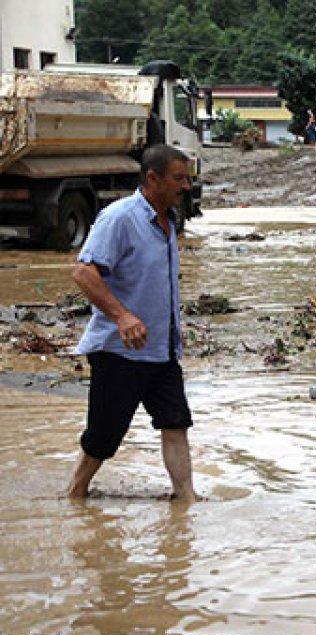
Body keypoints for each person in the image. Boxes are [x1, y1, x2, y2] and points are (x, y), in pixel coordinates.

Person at [65, 144, 197, 503]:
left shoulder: (167, 222)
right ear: (152, 178)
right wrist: (122, 316)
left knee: (176, 423)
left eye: (187, 178)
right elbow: (83, 271)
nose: (185, 186)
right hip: (119, 351)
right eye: (178, 179)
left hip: (162, 351)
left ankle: (186, 500)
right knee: (104, 437)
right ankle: (75, 493)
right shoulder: (119, 218)